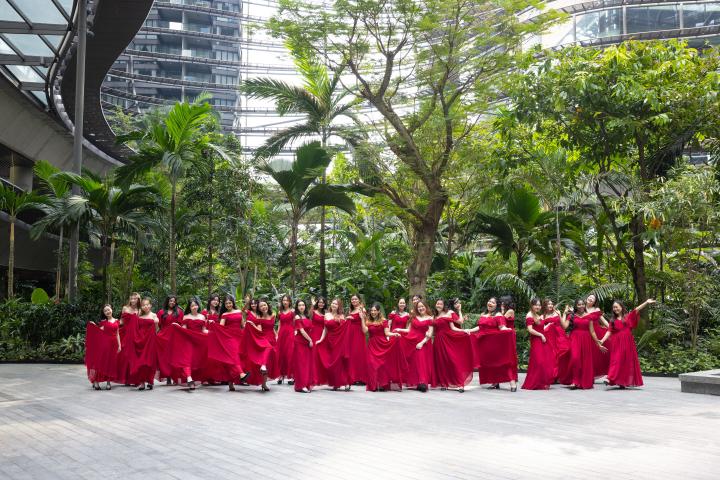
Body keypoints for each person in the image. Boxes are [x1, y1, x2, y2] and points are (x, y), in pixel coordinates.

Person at [466, 297, 518, 392]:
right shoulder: (483, 314)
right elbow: (480, 327)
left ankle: (512, 383)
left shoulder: (498, 315)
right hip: (483, 342)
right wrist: (469, 330)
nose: (490, 303)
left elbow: (502, 327)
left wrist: (508, 330)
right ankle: (495, 382)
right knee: (489, 363)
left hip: (495, 342)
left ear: (497, 305)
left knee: (503, 362)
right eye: (489, 301)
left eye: (493, 302)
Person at [603, 299, 655, 388]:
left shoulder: (627, 316)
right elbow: (609, 331)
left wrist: (646, 302)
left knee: (625, 361)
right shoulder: (612, 320)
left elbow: (636, 310)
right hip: (617, 342)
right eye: (614, 307)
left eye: (617, 307)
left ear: (621, 307)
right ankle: (610, 378)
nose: (615, 309)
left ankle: (622, 382)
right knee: (616, 359)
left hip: (627, 341)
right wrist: (602, 340)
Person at [207, 295, 249, 391]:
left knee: (233, 359)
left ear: (233, 303)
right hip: (229, 338)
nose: (228, 305)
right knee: (234, 356)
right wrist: (213, 324)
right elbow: (221, 327)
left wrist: (249, 325)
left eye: (230, 303)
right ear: (224, 305)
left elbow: (242, 325)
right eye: (226, 303)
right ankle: (242, 374)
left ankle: (231, 382)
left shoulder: (239, 312)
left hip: (239, 336)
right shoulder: (224, 315)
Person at [363, 302, 407, 391]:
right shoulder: (368, 321)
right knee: (372, 364)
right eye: (371, 310)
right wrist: (361, 319)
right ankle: (373, 385)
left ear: (378, 311)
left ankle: (382, 384)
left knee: (382, 365)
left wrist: (395, 334)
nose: (373, 312)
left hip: (381, 343)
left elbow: (387, 333)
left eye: (375, 310)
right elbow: (364, 331)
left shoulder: (384, 321)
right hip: (372, 344)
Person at [432, 298, 473, 392]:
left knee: (452, 360)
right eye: (437, 304)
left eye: (440, 304)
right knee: (441, 362)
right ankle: (444, 383)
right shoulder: (434, 316)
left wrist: (464, 330)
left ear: (444, 305)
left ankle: (460, 384)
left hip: (448, 339)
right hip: (438, 341)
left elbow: (453, 327)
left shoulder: (449, 313)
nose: (438, 305)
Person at [395, 300, 434, 392]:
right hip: (412, 341)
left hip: (423, 342)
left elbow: (430, 333)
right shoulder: (414, 317)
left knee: (421, 361)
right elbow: (409, 330)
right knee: (414, 362)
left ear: (426, 307)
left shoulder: (430, 318)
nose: (421, 308)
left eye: (422, 306)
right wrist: (399, 329)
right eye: (419, 307)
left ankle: (423, 382)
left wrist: (422, 343)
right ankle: (417, 382)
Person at [169, 297, 208, 390]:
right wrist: (178, 327)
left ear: (198, 306)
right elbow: (184, 329)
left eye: (195, 305)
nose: (194, 307)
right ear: (189, 307)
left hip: (199, 341)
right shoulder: (186, 317)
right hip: (189, 341)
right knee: (187, 359)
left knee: (197, 361)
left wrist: (212, 333)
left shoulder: (202, 317)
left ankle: (193, 379)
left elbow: (204, 330)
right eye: (192, 306)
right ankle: (189, 378)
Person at [316, 298, 351, 391]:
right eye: (332, 303)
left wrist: (347, 320)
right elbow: (325, 329)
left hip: (339, 341)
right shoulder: (326, 315)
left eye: (336, 304)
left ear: (339, 306)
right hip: (329, 341)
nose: (334, 305)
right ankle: (336, 382)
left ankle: (346, 382)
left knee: (339, 361)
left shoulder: (341, 316)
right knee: (331, 362)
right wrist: (320, 339)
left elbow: (344, 329)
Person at [562, 299, 597, 390]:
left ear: (584, 305)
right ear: (576, 306)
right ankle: (574, 381)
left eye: (582, 304)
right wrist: (564, 314)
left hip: (586, 340)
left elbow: (592, 331)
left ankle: (583, 381)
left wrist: (598, 341)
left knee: (584, 360)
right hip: (575, 338)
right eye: (579, 304)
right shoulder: (571, 316)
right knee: (575, 358)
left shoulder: (589, 316)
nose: (581, 306)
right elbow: (565, 327)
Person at [521, 298, 555, 390]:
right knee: (539, 361)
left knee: (546, 360)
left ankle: (542, 382)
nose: (538, 307)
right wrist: (541, 335)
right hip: (537, 340)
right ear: (532, 305)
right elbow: (530, 330)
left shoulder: (537, 315)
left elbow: (541, 327)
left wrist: (547, 326)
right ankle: (534, 383)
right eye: (536, 305)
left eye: (539, 305)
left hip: (543, 339)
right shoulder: (529, 315)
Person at [85, 304, 121, 390]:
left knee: (110, 363)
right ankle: (96, 381)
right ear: (104, 313)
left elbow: (117, 334)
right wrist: (93, 325)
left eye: (108, 310)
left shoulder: (117, 321)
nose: (107, 312)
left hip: (114, 345)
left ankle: (109, 383)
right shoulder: (103, 322)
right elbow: (98, 331)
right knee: (101, 363)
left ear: (111, 310)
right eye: (105, 311)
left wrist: (119, 345)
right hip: (104, 345)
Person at [242, 298, 274, 391]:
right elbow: (259, 330)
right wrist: (252, 324)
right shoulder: (259, 318)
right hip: (263, 339)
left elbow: (272, 328)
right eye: (261, 306)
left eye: (264, 305)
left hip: (272, 339)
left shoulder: (273, 315)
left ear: (267, 305)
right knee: (264, 360)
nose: (263, 307)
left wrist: (276, 336)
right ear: (259, 309)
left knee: (268, 363)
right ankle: (261, 368)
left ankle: (264, 384)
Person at [132, 298, 160, 391]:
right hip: (141, 341)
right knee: (141, 362)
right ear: (142, 307)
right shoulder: (139, 317)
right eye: (144, 305)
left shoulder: (154, 315)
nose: (146, 306)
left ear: (150, 305)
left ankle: (150, 381)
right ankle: (142, 382)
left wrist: (156, 322)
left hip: (151, 341)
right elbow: (136, 329)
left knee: (150, 361)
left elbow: (156, 329)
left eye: (147, 304)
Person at [541, 298, 570, 383]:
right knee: (552, 355)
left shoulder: (557, 313)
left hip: (559, 335)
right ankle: (553, 376)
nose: (550, 305)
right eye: (548, 304)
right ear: (545, 306)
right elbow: (541, 327)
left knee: (563, 351)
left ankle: (559, 375)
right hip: (549, 336)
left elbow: (564, 326)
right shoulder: (542, 316)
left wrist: (562, 314)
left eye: (551, 304)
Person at [156, 295, 183, 385]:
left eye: (174, 301)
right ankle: (167, 376)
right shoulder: (161, 312)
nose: (172, 303)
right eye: (170, 301)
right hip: (163, 337)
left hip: (175, 337)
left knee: (174, 357)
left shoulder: (179, 312)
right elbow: (159, 325)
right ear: (167, 301)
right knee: (165, 357)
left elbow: (181, 325)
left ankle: (174, 376)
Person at [118, 292, 142, 385]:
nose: (133, 300)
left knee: (134, 356)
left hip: (135, 335)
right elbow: (121, 320)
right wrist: (113, 324)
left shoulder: (140, 310)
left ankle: (135, 378)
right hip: (125, 333)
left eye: (135, 298)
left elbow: (141, 323)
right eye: (131, 298)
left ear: (138, 299)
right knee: (125, 356)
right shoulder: (125, 308)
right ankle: (126, 379)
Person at [292, 299, 315, 393]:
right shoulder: (297, 317)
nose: (301, 306)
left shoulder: (306, 316)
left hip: (306, 342)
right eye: (299, 305)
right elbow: (301, 331)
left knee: (306, 364)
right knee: (301, 364)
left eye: (303, 305)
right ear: (297, 307)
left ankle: (306, 383)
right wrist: (310, 340)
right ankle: (301, 385)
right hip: (300, 342)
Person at [586, 293, 610, 379]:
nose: (591, 299)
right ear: (587, 298)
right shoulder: (581, 308)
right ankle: (587, 373)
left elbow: (603, 321)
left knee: (597, 354)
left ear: (595, 302)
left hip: (597, 332)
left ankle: (593, 374)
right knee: (588, 354)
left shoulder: (596, 309)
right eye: (590, 297)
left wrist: (611, 328)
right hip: (585, 333)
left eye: (593, 298)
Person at [346, 294, 369, 385]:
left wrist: (361, 316)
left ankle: (361, 377)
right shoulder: (351, 310)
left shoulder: (362, 309)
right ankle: (353, 377)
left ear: (359, 300)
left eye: (355, 299)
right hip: (350, 333)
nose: (354, 301)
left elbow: (365, 321)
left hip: (358, 333)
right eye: (352, 299)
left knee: (358, 353)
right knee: (352, 354)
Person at [276, 294, 295, 385]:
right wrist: (276, 335)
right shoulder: (280, 312)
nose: (285, 302)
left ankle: (291, 375)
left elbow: (296, 323)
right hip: (282, 334)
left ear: (289, 302)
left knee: (290, 354)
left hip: (290, 334)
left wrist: (296, 332)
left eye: (287, 300)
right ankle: (280, 375)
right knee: (281, 354)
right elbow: (279, 324)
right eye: (283, 300)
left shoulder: (293, 311)